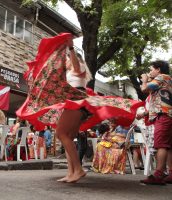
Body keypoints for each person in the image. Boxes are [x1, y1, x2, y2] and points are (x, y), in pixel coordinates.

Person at [16, 33, 143, 183]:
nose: (67, 62)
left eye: (69, 60)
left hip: (76, 103)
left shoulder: (79, 68)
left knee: (61, 134)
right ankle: (72, 172)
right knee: (68, 137)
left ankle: (79, 169)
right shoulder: (70, 74)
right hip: (76, 103)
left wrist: (70, 48)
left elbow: (75, 64)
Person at [139, 60, 172, 185]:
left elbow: (145, 88)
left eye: (151, 69)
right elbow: (161, 99)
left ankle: (158, 174)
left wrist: (144, 80)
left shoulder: (162, 77)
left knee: (161, 145)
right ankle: (170, 173)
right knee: (169, 146)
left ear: (158, 69)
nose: (149, 72)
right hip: (167, 114)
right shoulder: (166, 80)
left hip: (163, 115)